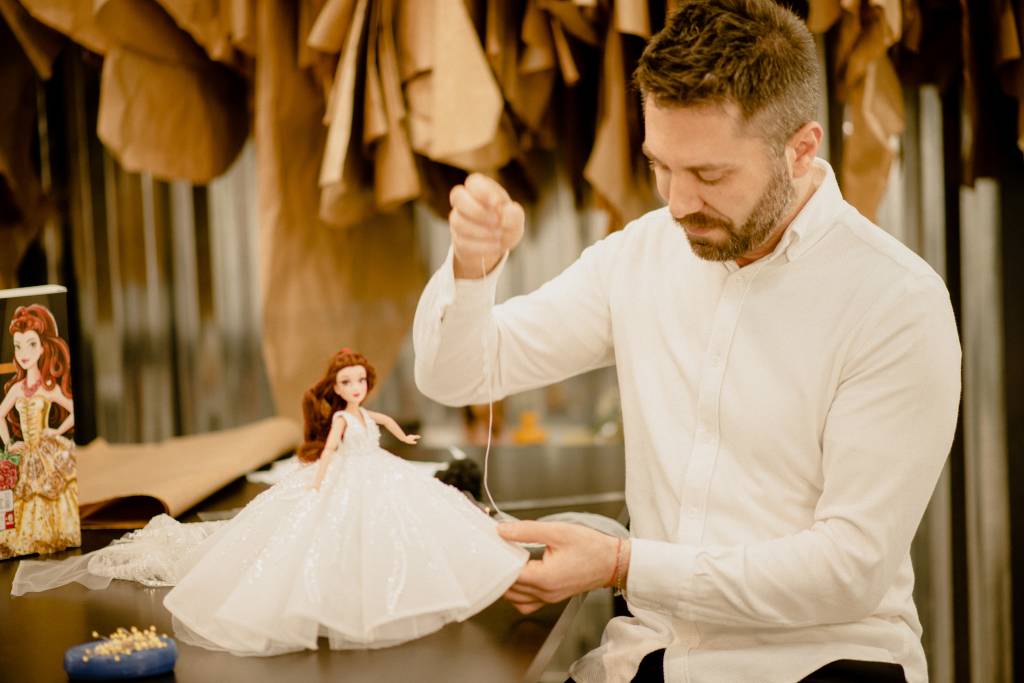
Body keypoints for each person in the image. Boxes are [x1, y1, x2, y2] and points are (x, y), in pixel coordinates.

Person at [411, 1, 961, 681]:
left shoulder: (895, 303)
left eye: (709, 175)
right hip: (650, 657)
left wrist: (623, 563)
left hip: (821, 661)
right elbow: (457, 375)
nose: (675, 202)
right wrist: (473, 269)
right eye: (660, 166)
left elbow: (846, 570)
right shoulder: (641, 254)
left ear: (802, 148)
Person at [13, 348, 527, 656]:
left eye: (360, 381)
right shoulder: (344, 420)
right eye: (347, 382)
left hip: (381, 476)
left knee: (399, 530)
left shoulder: (367, 417)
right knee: (326, 540)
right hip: (347, 477)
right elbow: (328, 452)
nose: (355, 388)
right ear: (337, 387)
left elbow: (389, 425)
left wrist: (405, 439)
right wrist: (322, 476)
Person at [0, 304, 78, 557]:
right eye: (18, 346)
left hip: (46, 450)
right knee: (24, 496)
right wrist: (9, 444)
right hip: (25, 451)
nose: (24, 353)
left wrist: (56, 433)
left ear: (44, 346)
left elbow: (73, 410)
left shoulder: (48, 386)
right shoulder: (17, 389)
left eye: (31, 344)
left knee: (52, 493)